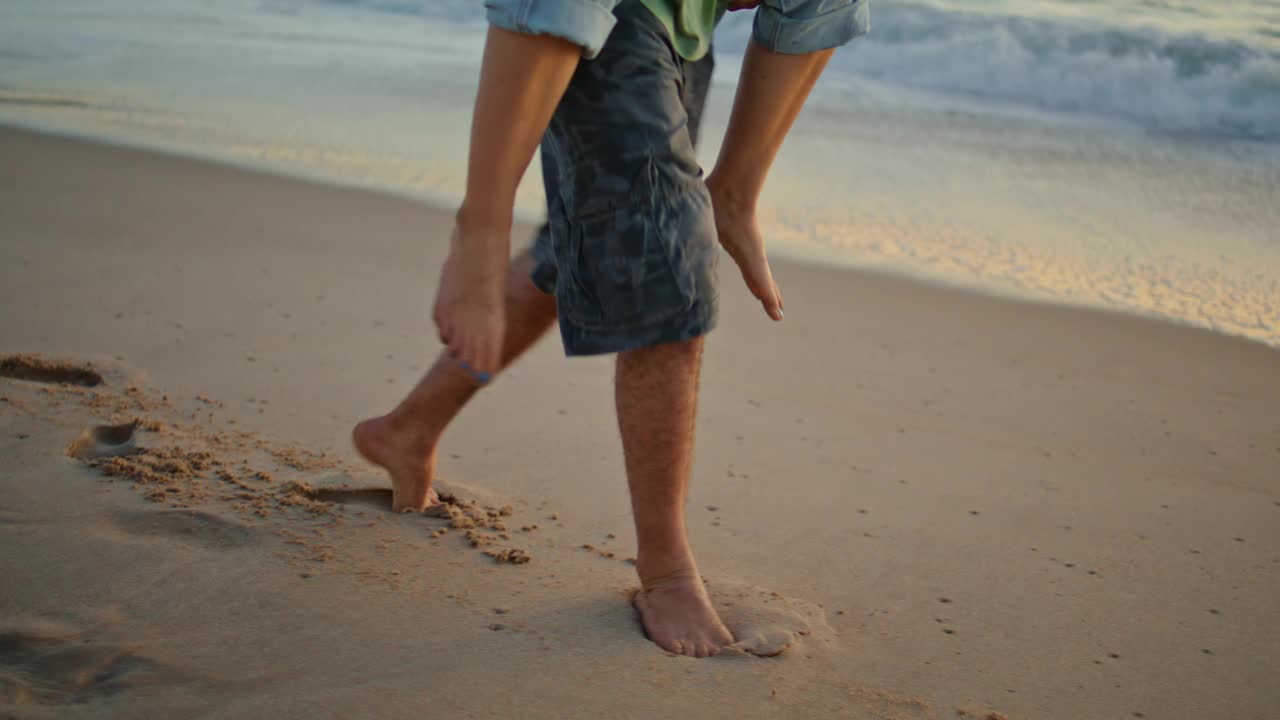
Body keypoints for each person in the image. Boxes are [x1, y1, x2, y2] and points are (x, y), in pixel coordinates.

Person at [354, 0, 869, 657]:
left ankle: (409, 429)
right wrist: (481, 232)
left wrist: (740, 185)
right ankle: (666, 572)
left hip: (678, 28)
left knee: (591, 246)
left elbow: (819, 9)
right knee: (662, 271)